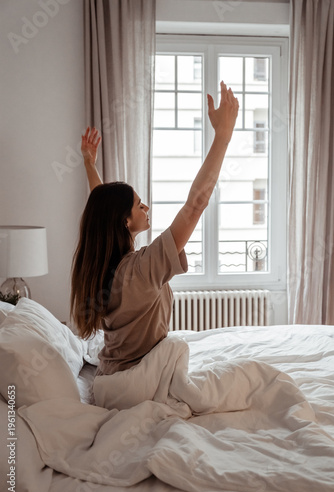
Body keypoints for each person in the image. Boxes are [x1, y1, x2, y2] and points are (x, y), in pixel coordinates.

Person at [71, 81, 239, 376]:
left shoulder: (106, 267)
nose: (145, 207)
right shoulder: (140, 270)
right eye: (139, 205)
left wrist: (89, 163)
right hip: (136, 381)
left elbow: (102, 210)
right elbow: (195, 204)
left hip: (112, 374)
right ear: (124, 221)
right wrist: (223, 137)